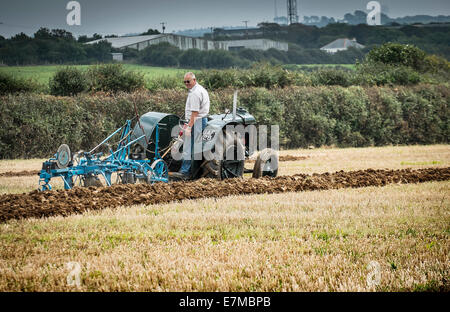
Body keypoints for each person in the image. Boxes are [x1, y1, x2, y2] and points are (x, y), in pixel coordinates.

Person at [173, 72, 210, 179]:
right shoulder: (198, 89)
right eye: (184, 82)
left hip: (196, 121)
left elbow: (195, 112)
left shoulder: (195, 93)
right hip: (198, 120)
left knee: (189, 147)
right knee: (193, 146)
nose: (186, 84)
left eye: (188, 81)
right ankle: (190, 171)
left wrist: (189, 126)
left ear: (194, 80)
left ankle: (185, 172)